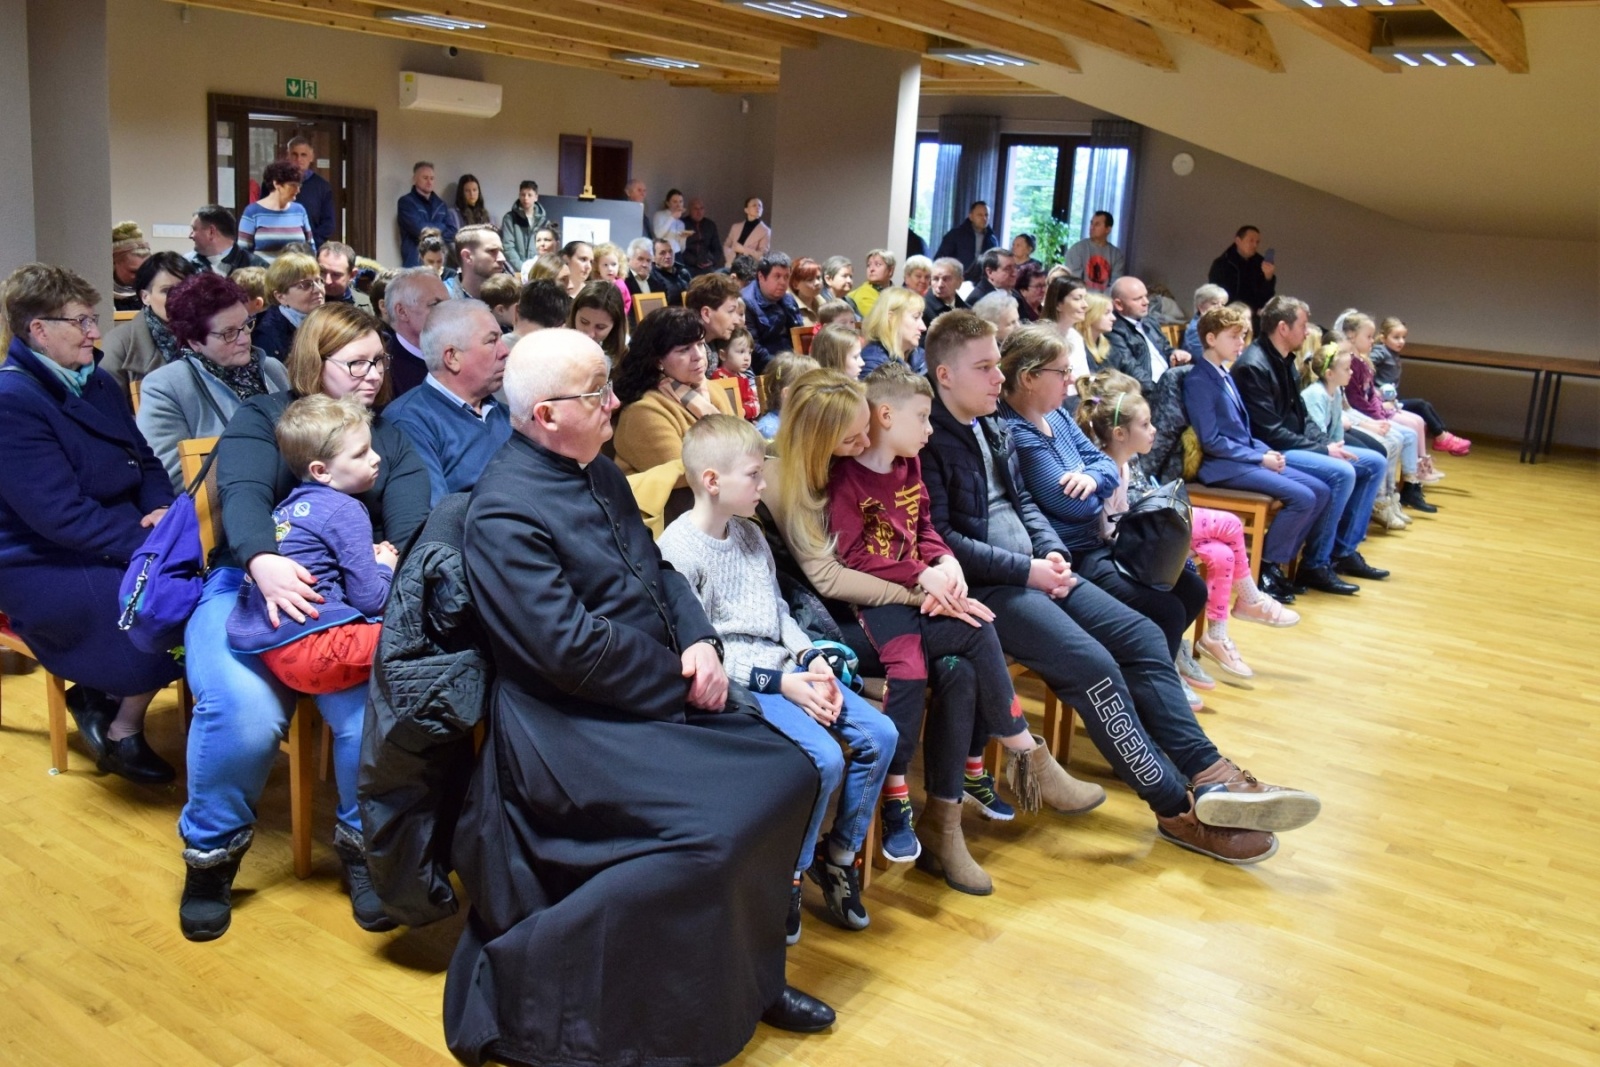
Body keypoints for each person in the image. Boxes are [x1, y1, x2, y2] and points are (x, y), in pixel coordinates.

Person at [443, 328, 834, 1065]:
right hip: (567, 727)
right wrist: (681, 676)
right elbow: (564, 651)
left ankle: (751, 977)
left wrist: (699, 640)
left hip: (647, 684)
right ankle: (672, 1014)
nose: (614, 400)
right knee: (714, 835)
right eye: (597, 394)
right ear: (546, 414)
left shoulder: (595, 469)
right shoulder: (504, 511)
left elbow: (656, 569)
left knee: (790, 772)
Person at [920, 310, 1320, 864]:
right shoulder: (930, 437)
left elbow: (1024, 503)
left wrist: (1049, 550)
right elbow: (940, 539)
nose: (998, 378)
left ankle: (1208, 772)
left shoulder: (989, 423)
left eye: (998, 365)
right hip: (988, 589)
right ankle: (1176, 809)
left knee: (1141, 636)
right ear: (944, 376)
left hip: (1035, 570)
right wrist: (1028, 570)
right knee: (1095, 667)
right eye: (985, 367)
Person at [175, 302, 429, 942]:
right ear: (315, 364)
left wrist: (393, 554)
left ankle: (362, 851)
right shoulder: (265, 416)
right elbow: (243, 495)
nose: (374, 374)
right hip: (243, 587)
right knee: (243, 713)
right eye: (357, 363)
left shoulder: (389, 435)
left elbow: (411, 515)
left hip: (346, 598)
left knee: (369, 711)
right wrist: (264, 560)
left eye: (381, 360)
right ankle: (211, 859)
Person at [829, 362, 1103, 891]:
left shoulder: (908, 468)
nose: (931, 431)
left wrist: (945, 564)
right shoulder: (847, 477)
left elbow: (927, 528)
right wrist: (924, 575)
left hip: (921, 594)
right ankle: (926, 786)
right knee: (947, 646)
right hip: (877, 608)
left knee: (962, 662)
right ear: (886, 415)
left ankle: (946, 822)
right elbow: (855, 556)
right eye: (924, 419)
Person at [660, 414, 897, 937]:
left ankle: (837, 857)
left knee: (882, 733)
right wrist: (783, 682)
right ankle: (790, 876)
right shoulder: (677, 550)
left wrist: (809, 657)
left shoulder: (749, 532)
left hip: (787, 666)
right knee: (826, 758)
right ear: (712, 481)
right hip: (744, 683)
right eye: (753, 475)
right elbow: (706, 648)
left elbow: (779, 612)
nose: (764, 485)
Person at [0, 263, 181, 784]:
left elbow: (145, 460)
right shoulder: (12, 401)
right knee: (154, 615)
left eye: (93, 319)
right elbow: (58, 517)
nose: (96, 332)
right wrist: (150, 547)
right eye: (81, 321)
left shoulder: (95, 380)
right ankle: (119, 723)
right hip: (40, 557)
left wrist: (163, 516)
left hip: (115, 534)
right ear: (38, 330)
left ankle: (114, 709)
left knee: (197, 591)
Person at [997, 329, 1208, 679]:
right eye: (1061, 372)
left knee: (1191, 587)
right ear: (1029, 378)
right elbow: (1075, 508)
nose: (1070, 380)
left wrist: (1093, 478)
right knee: (1166, 610)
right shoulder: (1017, 430)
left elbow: (1106, 463)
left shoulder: (1059, 416)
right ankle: (1151, 683)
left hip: (1098, 545)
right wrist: (1095, 475)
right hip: (1071, 556)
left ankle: (1154, 669)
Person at [1076, 367, 1298, 684]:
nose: (1154, 429)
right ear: (1119, 428)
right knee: (1231, 525)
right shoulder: (1106, 465)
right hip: (1133, 543)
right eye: (1145, 423)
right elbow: (1113, 527)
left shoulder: (1127, 460)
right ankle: (1248, 599)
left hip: (1146, 532)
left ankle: (1208, 639)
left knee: (1220, 557)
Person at [225, 393, 395, 694]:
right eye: (361, 453)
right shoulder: (346, 510)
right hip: (318, 649)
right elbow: (371, 600)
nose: (376, 457)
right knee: (428, 635)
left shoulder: (291, 506)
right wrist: (385, 567)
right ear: (321, 471)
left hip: (272, 646)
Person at [1231, 296, 1389, 594]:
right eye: (1302, 325)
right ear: (1282, 327)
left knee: (1374, 463)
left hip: (1292, 444)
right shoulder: (1253, 366)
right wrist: (1322, 450)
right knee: (1342, 473)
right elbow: (1270, 431)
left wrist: (1325, 442)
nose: (1307, 332)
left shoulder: (1285, 360)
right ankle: (1315, 564)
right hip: (1268, 450)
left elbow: (1300, 418)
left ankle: (1342, 552)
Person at [1184, 305, 1330, 605]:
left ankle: (1279, 564)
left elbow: (1242, 431)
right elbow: (1211, 440)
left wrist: (1265, 451)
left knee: (1321, 489)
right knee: (1303, 497)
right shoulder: (1200, 379)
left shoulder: (1223, 373)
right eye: (1234, 336)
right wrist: (1258, 459)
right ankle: (1264, 568)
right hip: (1221, 466)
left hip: (1242, 457)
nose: (1241, 343)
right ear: (1211, 338)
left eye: (1243, 336)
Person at [137, 272, 292, 490]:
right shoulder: (166, 387)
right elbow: (172, 476)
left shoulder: (272, 369)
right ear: (194, 342)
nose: (244, 338)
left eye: (246, 324)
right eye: (229, 333)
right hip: (225, 507)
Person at [383, 298, 512, 505]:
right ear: (452, 357)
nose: (505, 351)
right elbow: (439, 517)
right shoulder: (409, 421)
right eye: (491, 341)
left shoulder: (506, 413)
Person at [1300, 337, 1411, 531]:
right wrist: (1337, 452)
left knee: (1377, 459)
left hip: (1330, 446)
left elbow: (1336, 431)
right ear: (1329, 373)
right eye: (1346, 369)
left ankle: (1356, 524)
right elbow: (1316, 434)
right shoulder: (1315, 394)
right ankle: (1345, 525)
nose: (1351, 372)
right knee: (1361, 466)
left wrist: (1341, 446)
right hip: (1316, 449)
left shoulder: (1334, 392)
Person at [612, 305, 738, 475]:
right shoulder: (643, 412)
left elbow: (745, 446)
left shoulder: (715, 390)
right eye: (684, 349)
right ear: (658, 361)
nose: (698, 356)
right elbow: (684, 477)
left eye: (700, 344)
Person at [1338, 310, 1441, 504]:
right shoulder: (1352, 363)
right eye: (1369, 336)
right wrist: (1378, 417)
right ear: (1351, 336)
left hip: (1374, 413)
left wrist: (1382, 411)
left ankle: (1400, 490)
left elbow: (1371, 397)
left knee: (1413, 426)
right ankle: (1382, 498)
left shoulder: (1364, 362)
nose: (1372, 341)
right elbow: (1356, 402)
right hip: (1362, 416)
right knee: (1397, 438)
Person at [100, 251, 198, 391]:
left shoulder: (209, 334)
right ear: (145, 296)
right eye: (167, 291)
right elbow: (110, 408)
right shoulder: (119, 343)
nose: (178, 297)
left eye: (185, 289)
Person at [1372, 316, 1470, 455]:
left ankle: (1444, 436)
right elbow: (1367, 364)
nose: (1401, 341)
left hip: (1392, 400)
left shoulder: (1392, 353)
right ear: (1383, 338)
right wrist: (1376, 390)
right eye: (1396, 337)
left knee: (1425, 405)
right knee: (1421, 405)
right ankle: (1442, 437)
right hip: (1382, 402)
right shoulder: (1380, 351)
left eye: (1403, 337)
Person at [1105, 277, 1189, 396]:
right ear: (1119, 304)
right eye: (1138, 299)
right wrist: (1165, 391)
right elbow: (1131, 370)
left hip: (1169, 383)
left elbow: (1165, 348)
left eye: (1145, 296)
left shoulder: (1150, 321)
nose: (1146, 302)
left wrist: (1175, 353)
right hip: (1147, 393)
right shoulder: (1113, 330)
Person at [383, 266, 450, 397]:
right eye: (435, 304)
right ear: (402, 312)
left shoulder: (460, 354)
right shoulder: (384, 369)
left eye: (449, 304)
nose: (448, 311)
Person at [252, 253, 325, 363]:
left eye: (319, 281)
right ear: (281, 297)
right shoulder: (268, 337)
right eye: (305, 285)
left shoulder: (329, 318)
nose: (318, 289)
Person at [239, 161, 316, 261]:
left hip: (296, 274)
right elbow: (243, 252)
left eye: (299, 185)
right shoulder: (253, 212)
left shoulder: (299, 211)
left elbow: (310, 246)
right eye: (293, 185)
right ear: (276, 184)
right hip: (264, 274)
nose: (298, 190)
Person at [742, 252, 801, 373]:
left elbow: (798, 334)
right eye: (777, 276)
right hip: (765, 368)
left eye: (786, 277)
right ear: (761, 277)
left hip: (791, 362)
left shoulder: (788, 299)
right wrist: (783, 367)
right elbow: (753, 348)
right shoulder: (746, 302)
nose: (783, 282)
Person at [398, 162, 457, 268]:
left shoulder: (441, 204)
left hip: (438, 262)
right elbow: (419, 230)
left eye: (432, 178)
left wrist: (431, 230)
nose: (429, 182)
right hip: (414, 261)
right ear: (414, 179)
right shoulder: (406, 202)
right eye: (425, 178)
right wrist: (442, 226)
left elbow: (452, 231)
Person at [1208, 226, 1276, 316]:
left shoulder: (1260, 263)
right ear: (1238, 241)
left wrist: (1268, 278)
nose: (1255, 245)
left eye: (1257, 242)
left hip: (1255, 318)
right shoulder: (1222, 264)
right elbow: (1216, 296)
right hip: (1229, 317)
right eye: (1251, 241)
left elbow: (1267, 297)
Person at [858, 286, 926, 376]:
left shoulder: (921, 356)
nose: (923, 327)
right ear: (891, 318)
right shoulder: (873, 363)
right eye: (916, 317)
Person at [189, 205, 268, 276]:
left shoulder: (258, 267)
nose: (190, 235)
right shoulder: (186, 264)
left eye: (194, 229)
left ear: (211, 231)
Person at [755, 350, 817, 440]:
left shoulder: (807, 420)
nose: (821, 394)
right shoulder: (769, 430)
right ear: (787, 394)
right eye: (813, 389)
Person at [286, 137, 336, 248]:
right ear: (288, 156)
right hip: (278, 247)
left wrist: (310, 243)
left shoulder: (322, 187)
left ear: (311, 157)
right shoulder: (275, 184)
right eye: (294, 154)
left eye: (303, 155)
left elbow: (328, 224)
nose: (299, 159)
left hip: (310, 248)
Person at [1042, 276, 1091, 381]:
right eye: (1077, 299)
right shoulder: (1042, 339)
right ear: (1058, 304)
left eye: (1085, 298)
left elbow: (1084, 378)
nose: (1085, 305)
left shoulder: (1076, 337)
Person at [1063, 211, 1125, 294]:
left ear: (1108, 229)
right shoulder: (1077, 249)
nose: (1092, 227)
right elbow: (1074, 282)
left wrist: (1102, 302)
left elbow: (1115, 286)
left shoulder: (1117, 255)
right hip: (1081, 300)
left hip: (1105, 303)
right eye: (1091, 223)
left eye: (1097, 224)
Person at [566, 278, 627, 363]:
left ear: (614, 327)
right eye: (584, 322)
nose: (589, 334)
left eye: (600, 327)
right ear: (574, 314)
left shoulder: (623, 355)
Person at [933, 201, 999, 278]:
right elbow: (940, 259)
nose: (984, 218)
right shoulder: (956, 235)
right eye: (980, 215)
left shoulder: (992, 240)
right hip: (957, 279)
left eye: (986, 215)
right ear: (971, 216)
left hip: (982, 282)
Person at [447, 225, 509, 301]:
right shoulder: (442, 296)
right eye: (492, 251)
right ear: (467, 256)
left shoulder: (511, 295)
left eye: (501, 251)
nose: (502, 259)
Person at [710, 325, 759, 420]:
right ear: (723, 355)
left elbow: (753, 402)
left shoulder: (743, 377)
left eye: (749, 352)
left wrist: (744, 411)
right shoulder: (718, 376)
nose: (747, 358)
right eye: (741, 352)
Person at [687, 272, 746, 350]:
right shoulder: (689, 357)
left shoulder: (718, 346)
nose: (737, 322)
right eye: (730, 311)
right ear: (706, 314)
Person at [499, 180, 546, 268]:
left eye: (529, 195)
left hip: (536, 270)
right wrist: (523, 268)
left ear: (536, 197)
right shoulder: (509, 218)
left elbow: (545, 248)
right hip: (515, 270)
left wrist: (536, 269)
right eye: (523, 194)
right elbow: (508, 247)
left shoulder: (543, 220)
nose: (526, 198)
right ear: (519, 196)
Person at [112, 222, 152, 312]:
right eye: (134, 272)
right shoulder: (101, 295)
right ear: (114, 263)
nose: (141, 276)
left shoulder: (153, 291)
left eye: (144, 270)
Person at [846, 249, 895, 320]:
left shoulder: (896, 293)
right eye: (868, 265)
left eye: (878, 265)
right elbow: (877, 322)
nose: (871, 269)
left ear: (890, 270)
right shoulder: (864, 293)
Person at [1184, 283, 1228, 361]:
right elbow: (1206, 359)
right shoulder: (1196, 329)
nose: (1220, 308)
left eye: (1223, 304)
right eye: (1214, 303)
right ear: (1201, 307)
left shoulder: (1218, 324)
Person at [681, 197, 722, 276]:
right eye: (695, 209)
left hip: (706, 265)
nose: (699, 212)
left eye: (701, 208)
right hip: (688, 265)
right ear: (690, 210)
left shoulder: (710, 225)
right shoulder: (682, 224)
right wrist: (695, 261)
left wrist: (711, 261)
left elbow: (717, 249)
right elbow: (680, 250)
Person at [724, 197, 771, 266]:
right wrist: (729, 257)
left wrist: (743, 250)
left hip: (749, 268)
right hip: (731, 265)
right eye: (754, 205)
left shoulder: (765, 231)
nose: (758, 207)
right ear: (746, 210)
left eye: (760, 206)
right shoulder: (736, 227)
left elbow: (762, 256)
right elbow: (727, 245)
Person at [317, 242, 363, 308]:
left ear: (352, 275)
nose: (327, 281)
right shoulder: (302, 304)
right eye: (322, 271)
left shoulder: (368, 308)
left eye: (335, 275)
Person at [654, 238, 693, 306]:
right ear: (653, 257)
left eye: (670, 251)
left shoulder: (683, 273)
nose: (668, 256)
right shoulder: (652, 278)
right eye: (662, 253)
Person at [789, 257, 826, 326]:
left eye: (818, 278)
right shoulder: (789, 309)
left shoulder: (824, 304)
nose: (817, 283)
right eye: (810, 280)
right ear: (795, 285)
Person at [652, 188, 689, 253]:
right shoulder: (659, 215)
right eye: (675, 202)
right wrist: (672, 217)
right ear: (668, 203)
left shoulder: (681, 223)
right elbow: (658, 235)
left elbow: (682, 247)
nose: (678, 205)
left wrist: (683, 238)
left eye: (680, 201)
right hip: (663, 252)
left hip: (676, 254)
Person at [623, 176, 654, 240]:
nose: (643, 194)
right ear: (628, 192)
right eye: (639, 190)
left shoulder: (644, 217)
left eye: (644, 191)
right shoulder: (622, 211)